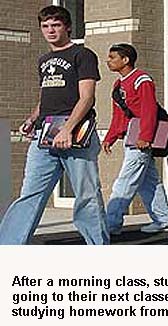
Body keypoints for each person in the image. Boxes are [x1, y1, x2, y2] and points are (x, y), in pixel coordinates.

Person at [0, 5, 109, 245]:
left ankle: (98, 247)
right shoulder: (44, 59)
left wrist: (67, 129)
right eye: (46, 26)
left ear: (67, 27)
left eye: (56, 25)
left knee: (87, 195)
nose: (50, 30)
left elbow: (87, 97)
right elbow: (46, 96)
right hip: (44, 135)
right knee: (30, 194)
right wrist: (31, 120)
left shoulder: (83, 55)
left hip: (75, 133)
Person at [102, 43, 168, 234]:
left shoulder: (142, 80)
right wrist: (110, 137)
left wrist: (145, 136)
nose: (108, 61)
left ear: (125, 60)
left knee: (125, 181)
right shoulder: (118, 85)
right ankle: (164, 219)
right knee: (148, 182)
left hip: (142, 137)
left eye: (112, 57)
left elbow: (149, 110)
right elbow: (118, 115)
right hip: (131, 135)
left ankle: (110, 224)